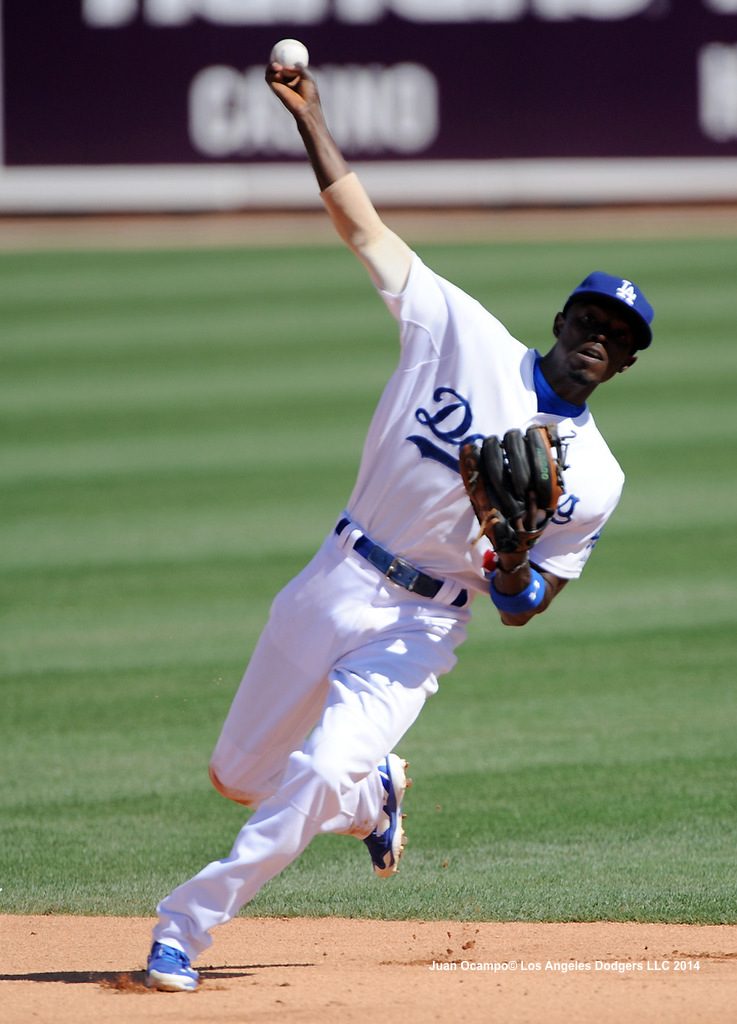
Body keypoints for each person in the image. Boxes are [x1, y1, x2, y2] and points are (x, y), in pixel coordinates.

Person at [144, 58, 654, 992]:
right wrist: (311, 118)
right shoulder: (459, 329)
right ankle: (372, 793)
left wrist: (507, 565)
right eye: (591, 317)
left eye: (620, 339)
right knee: (240, 774)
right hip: (334, 577)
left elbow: (529, 601)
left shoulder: (599, 478)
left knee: (318, 768)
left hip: (420, 629)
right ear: (561, 316)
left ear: (624, 365)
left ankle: (184, 925)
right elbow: (360, 225)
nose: (600, 338)